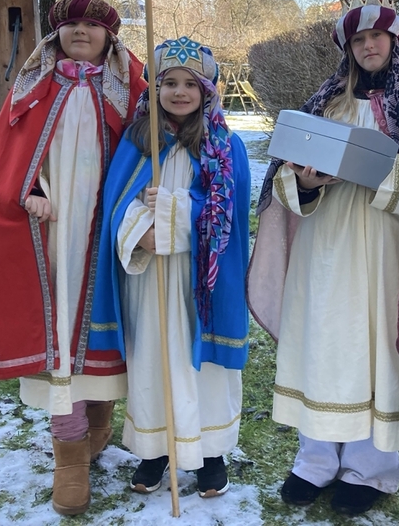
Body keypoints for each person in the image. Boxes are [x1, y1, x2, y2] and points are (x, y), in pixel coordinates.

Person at [248, 0, 399, 516]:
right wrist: (306, 183)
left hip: (383, 249)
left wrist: (378, 174)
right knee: (321, 342)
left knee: (373, 347)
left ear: (394, 41)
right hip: (321, 247)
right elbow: (281, 184)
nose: (369, 46)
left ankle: (370, 468)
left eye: (377, 37)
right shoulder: (325, 103)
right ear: (348, 47)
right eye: (359, 39)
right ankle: (316, 459)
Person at [0, 0, 147, 516]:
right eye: (72, 24)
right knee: (60, 332)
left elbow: (162, 147)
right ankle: (69, 457)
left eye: (92, 24)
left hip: (108, 230)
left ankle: (98, 423)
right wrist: (29, 190)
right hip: (52, 234)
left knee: (103, 329)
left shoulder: (132, 93)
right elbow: (6, 157)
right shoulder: (32, 89)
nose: (81, 31)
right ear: (57, 34)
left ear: (110, 36)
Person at [92, 37, 251, 498]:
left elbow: (229, 215)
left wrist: (173, 212)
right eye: (169, 83)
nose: (179, 92)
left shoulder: (226, 146)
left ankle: (211, 454)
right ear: (155, 89)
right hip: (151, 279)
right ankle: (155, 450)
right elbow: (115, 205)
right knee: (153, 356)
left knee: (203, 367)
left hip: (200, 281)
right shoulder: (137, 142)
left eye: (190, 84)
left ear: (207, 90)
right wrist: (139, 229)